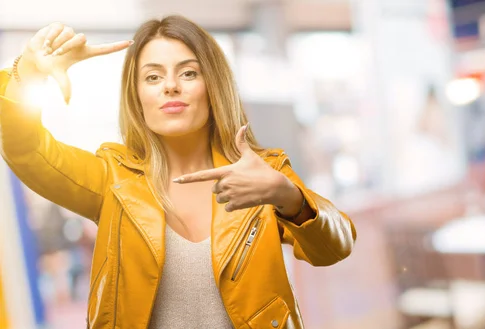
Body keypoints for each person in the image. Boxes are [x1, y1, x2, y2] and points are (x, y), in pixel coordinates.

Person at [0, 15, 356, 329]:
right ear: (137, 95)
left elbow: (334, 249)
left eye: (188, 72)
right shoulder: (111, 179)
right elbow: (24, 149)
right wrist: (28, 72)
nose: (171, 85)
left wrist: (288, 196)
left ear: (212, 86)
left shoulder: (263, 174)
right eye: (153, 77)